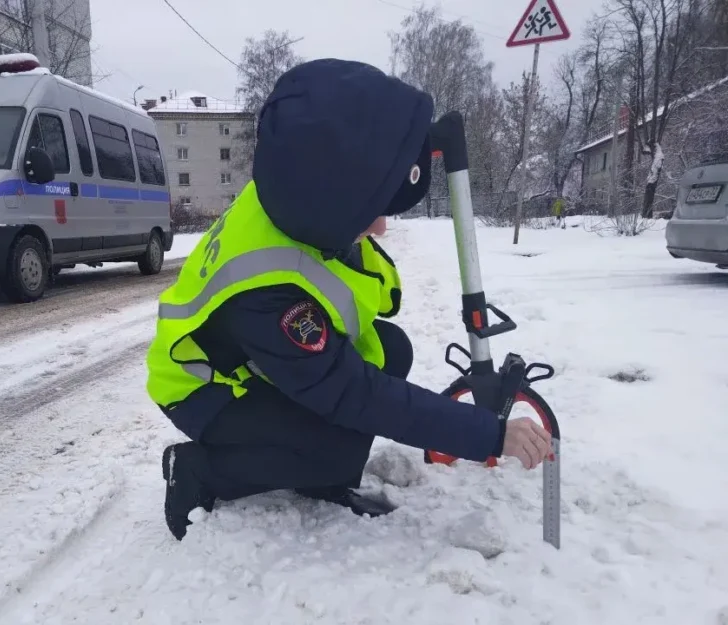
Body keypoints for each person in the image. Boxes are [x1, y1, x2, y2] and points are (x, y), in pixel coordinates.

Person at [145, 58, 553, 541]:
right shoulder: (267, 294)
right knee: (334, 450)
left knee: (390, 348)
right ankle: (198, 472)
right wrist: (488, 433)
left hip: (251, 359)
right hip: (205, 388)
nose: (380, 227)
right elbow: (354, 395)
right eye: (371, 211)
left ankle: (314, 470)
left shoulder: (291, 190)